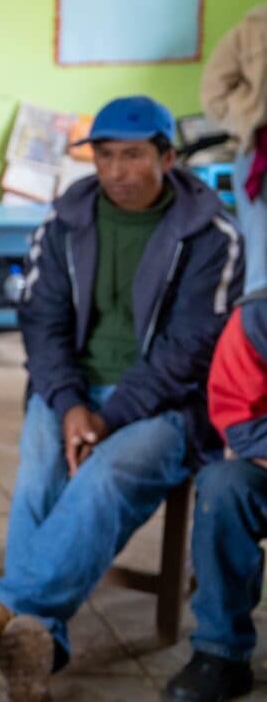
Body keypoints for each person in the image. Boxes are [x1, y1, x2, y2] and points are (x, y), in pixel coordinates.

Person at [0, 95, 243, 701]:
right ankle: (40, 641)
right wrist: (70, 402)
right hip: (71, 393)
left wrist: (108, 416)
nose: (115, 172)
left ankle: (1, 610)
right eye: (103, 157)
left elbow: (190, 350)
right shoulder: (65, 220)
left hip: (166, 405)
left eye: (132, 157)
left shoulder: (212, 233)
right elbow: (41, 321)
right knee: (38, 481)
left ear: (167, 157)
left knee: (103, 477)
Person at [161, 292, 267, 702]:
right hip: (260, 466)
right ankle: (220, 652)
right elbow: (239, 420)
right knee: (222, 488)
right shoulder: (256, 317)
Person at [201, 3, 267, 293]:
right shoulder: (252, 29)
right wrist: (244, 122)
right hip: (259, 154)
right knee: (260, 255)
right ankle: (257, 328)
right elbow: (213, 90)